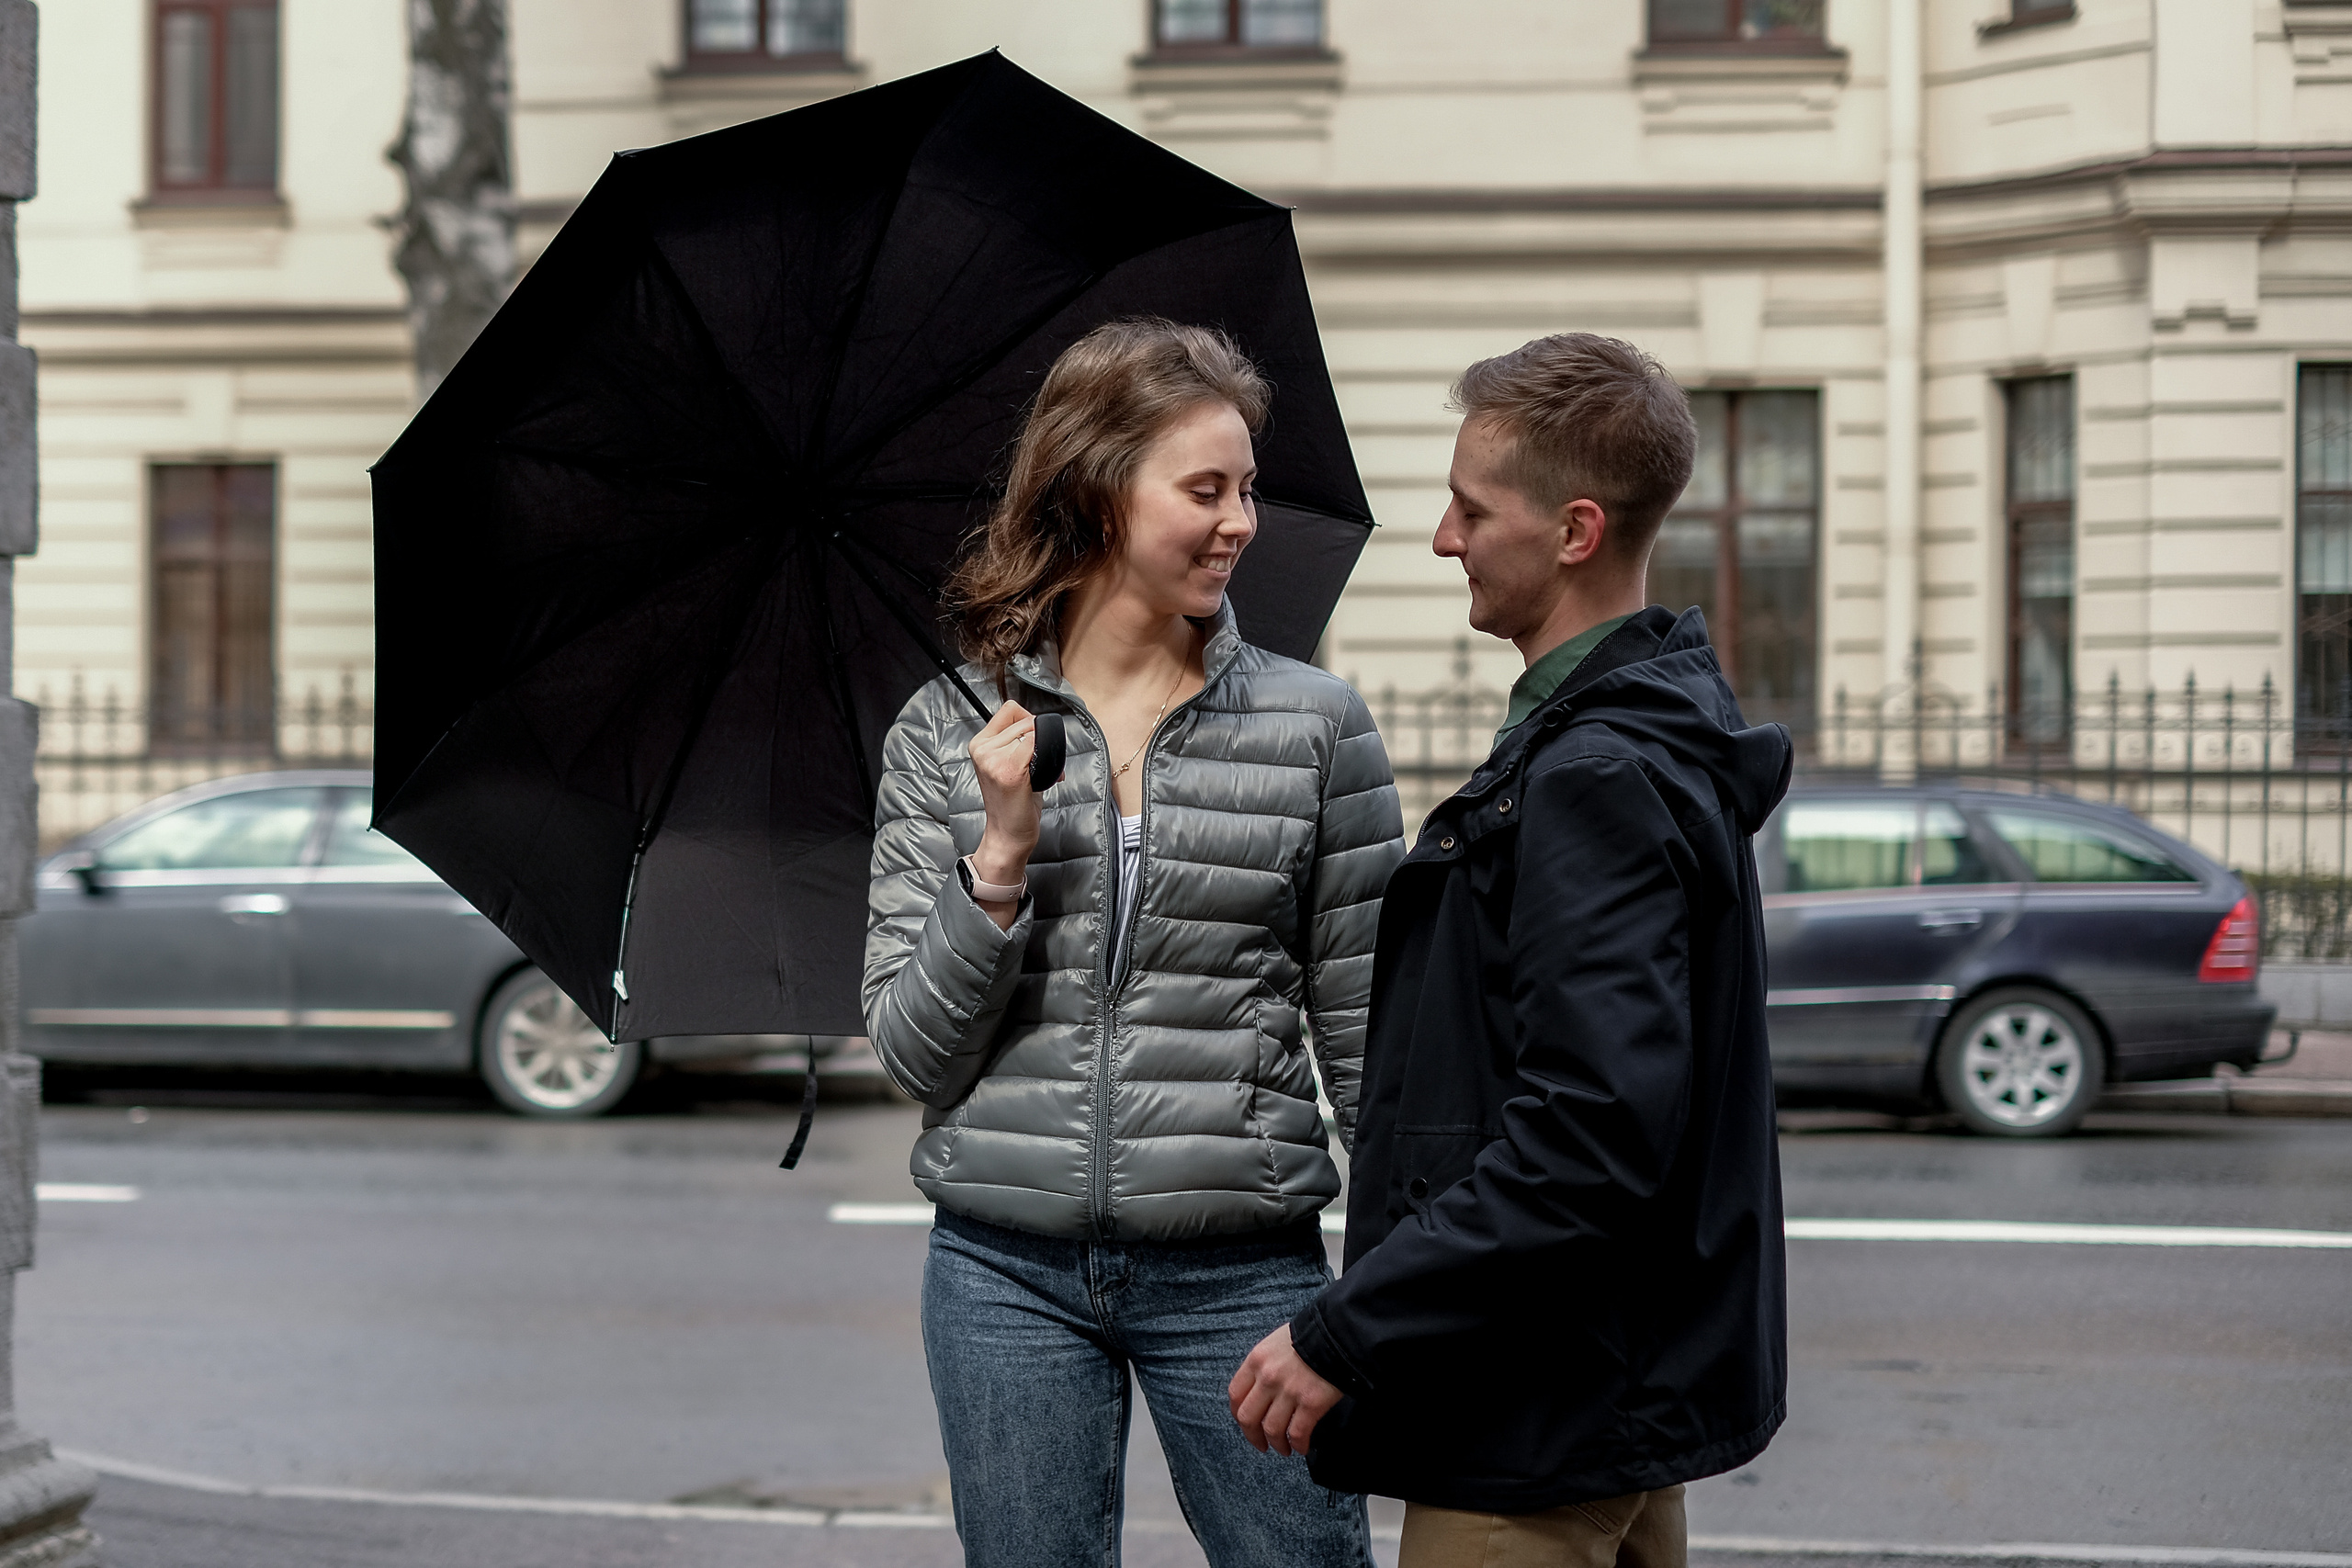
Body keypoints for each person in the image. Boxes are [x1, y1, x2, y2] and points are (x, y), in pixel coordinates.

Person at [1228, 333, 1792, 1568]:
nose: (1443, 538)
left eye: (1471, 510)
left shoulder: (1595, 770)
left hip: (1538, 1429)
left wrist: (1344, 1331)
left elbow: (1589, 1136)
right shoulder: (1649, 734)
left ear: (1577, 530)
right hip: (1610, 1406)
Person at [864, 317, 1404, 1568]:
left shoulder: (1315, 729)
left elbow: (1374, 1046)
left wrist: (1382, 1302)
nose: (1240, 523)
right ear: (1098, 492)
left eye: (1248, 490)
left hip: (1244, 1272)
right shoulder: (947, 729)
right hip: (1003, 1274)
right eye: (1205, 490)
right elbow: (911, 1052)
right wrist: (994, 865)